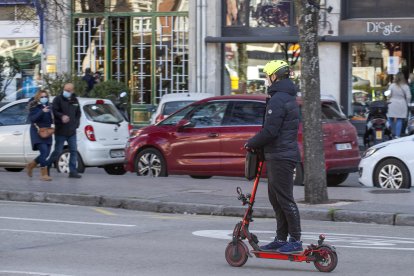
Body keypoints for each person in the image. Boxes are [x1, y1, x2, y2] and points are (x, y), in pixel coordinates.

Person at [245, 60, 302, 254]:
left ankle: (295, 240)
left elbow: (270, 131)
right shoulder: (285, 97)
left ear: (274, 76)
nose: (266, 80)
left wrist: (251, 142)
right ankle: (281, 238)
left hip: (281, 155)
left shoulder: (279, 99)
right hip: (279, 154)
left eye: (267, 76)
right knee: (276, 198)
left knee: (284, 198)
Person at [47, 83, 82, 178]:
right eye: (65, 90)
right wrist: (61, 116)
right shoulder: (58, 99)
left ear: (72, 91)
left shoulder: (75, 100)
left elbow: (78, 113)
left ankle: (73, 171)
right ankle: (47, 165)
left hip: (71, 131)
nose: (67, 92)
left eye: (69, 90)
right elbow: (54, 111)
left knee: (73, 151)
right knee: (58, 151)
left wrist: (76, 124)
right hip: (61, 130)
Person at [26, 90, 53, 181]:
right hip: (37, 132)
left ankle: (31, 165)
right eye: (42, 97)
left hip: (47, 132)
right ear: (38, 98)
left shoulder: (49, 107)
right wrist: (42, 111)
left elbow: (52, 120)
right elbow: (32, 119)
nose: (44, 98)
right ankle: (44, 174)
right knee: (44, 151)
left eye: (45, 96)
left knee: (46, 153)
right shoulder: (34, 107)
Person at [387, 72, 411, 138]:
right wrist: (407, 103)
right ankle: (397, 135)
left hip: (392, 103)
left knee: (390, 118)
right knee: (399, 119)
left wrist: (388, 99)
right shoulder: (406, 86)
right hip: (401, 103)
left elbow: (388, 94)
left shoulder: (392, 85)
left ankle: (392, 132)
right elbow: (408, 96)